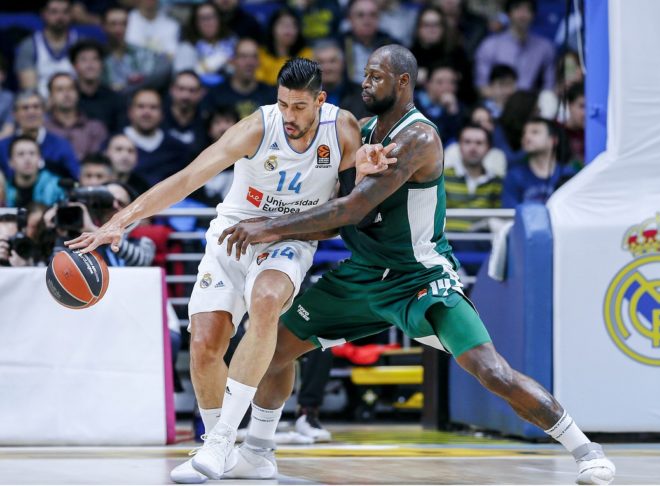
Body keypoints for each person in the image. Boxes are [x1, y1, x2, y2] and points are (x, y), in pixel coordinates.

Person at [193, 45, 615, 485]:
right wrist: (280, 218)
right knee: (273, 349)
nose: (366, 83)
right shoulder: (361, 132)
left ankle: (585, 449)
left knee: (492, 371)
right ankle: (258, 453)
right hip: (363, 274)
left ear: (403, 82)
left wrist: (269, 227)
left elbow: (352, 209)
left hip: (419, 277)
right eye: (365, 74)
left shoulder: (419, 138)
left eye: (376, 76)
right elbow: (332, 215)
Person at [65, 57, 393, 484]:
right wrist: (120, 221)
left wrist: (280, 226)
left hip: (290, 239)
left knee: (267, 302)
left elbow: (345, 215)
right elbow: (187, 179)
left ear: (320, 101)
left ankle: (226, 442)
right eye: (283, 104)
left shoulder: (342, 129)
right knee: (205, 343)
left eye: (299, 107)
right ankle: (229, 448)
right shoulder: (257, 127)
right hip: (233, 234)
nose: (289, 116)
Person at [44, 72, 109, 160]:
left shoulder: (95, 128)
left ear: (78, 94)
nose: (66, 94)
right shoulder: (44, 129)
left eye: (71, 88)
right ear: (50, 97)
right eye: (60, 89)